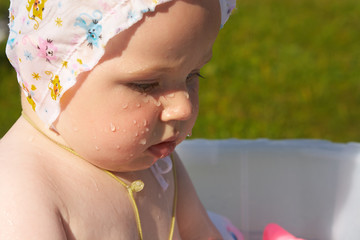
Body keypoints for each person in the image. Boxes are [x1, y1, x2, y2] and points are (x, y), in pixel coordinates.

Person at [0, 0, 237, 239]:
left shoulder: (154, 158)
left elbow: (203, 233)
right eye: (146, 85)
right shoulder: (20, 191)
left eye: (193, 74)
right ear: (55, 77)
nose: (183, 108)